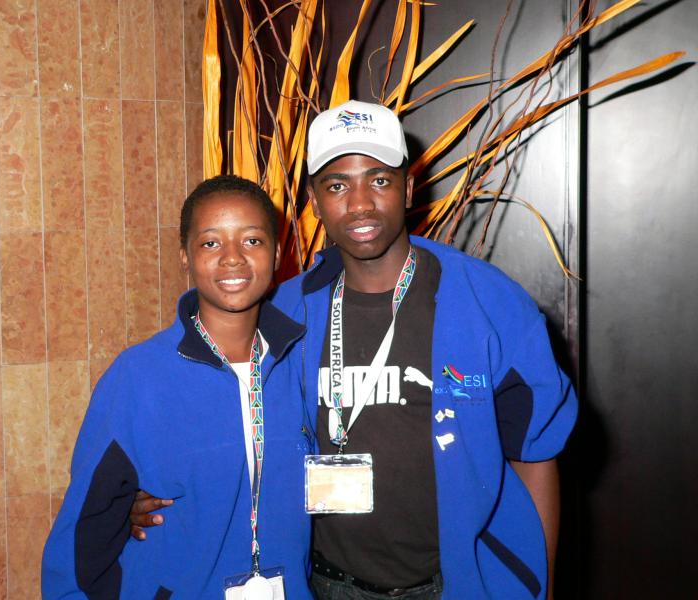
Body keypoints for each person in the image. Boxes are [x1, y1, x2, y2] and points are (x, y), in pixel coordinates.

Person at [132, 100, 578, 600]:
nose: (360, 204)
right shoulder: (283, 313)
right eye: (338, 186)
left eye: (379, 180)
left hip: (459, 582)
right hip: (325, 583)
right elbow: (221, 405)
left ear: (408, 188)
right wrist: (143, 489)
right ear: (314, 201)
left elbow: (536, 453)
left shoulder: (488, 303)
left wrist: (541, 587)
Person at [41, 175, 314, 599]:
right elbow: (83, 539)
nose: (232, 258)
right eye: (210, 243)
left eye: (252, 240)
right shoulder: (137, 377)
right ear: (185, 256)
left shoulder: (302, 361)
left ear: (277, 253)